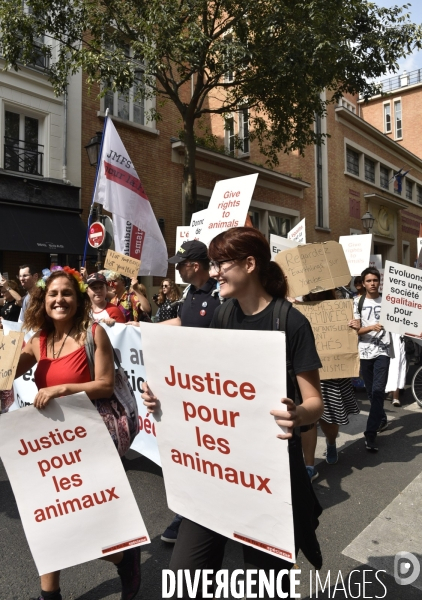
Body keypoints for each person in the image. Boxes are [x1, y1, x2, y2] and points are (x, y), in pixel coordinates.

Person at [143, 227, 324, 598]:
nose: (215, 271)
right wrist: (163, 396)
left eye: (221, 263)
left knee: (265, 585)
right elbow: (204, 384)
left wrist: (297, 414)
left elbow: (314, 403)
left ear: (250, 264)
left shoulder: (291, 322)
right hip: (218, 470)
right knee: (184, 578)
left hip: (267, 479)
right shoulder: (223, 314)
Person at [14, 268, 140, 600]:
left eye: (67, 293)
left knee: (84, 522)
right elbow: (7, 371)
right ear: (43, 299)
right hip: (50, 441)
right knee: (47, 519)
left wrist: (62, 389)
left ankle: (125, 559)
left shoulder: (93, 332)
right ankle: (49, 594)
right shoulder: (37, 339)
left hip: (90, 438)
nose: (60, 299)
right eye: (53, 293)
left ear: (78, 298)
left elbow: (105, 385)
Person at [158, 240, 222, 543]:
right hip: (190, 388)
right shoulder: (190, 293)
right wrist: (143, 330)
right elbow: (184, 322)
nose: (177, 268)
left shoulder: (220, 294)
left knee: (211, 452)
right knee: (191, 451)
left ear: (194, 265)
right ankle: (189, 511)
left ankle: (203, 513)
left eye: (180, 263)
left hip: (216, 390)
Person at [300, 290, 360, 480]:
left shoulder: (340, 308)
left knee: (329, 419)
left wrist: (355, 327)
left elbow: (351, 336)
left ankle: (331, 441)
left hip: (332, 373)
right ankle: (309, 464)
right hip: (307, 371)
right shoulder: (298, 309)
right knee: (308, 420)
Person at [353, 267, 391, 452]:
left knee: (378, 391)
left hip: (383, 351)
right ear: (363, 283)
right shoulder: (357, 302)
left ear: (379, 281)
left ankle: (370, 433)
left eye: (375, 280)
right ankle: (381, 418)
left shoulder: (388, 300)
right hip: (365, 352)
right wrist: (370, 328)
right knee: (371, 392)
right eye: (368, 281)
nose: (372, 283)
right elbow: (356, 331)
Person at [385, 332, 406, 407]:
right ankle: (392, 392)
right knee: (391, 367)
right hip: (387, 339)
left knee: (397, 367)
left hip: (399, 340)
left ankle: (395, 396)